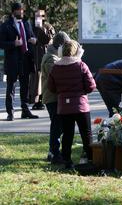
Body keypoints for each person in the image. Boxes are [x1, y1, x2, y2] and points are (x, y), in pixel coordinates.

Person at [48, 40, 96, 169]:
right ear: (77, 51)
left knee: (67, 135)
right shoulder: (81, 65)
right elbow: (91, 86)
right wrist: (82, 92)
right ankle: (91, 158)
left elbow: (51, 87)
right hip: (81, 105)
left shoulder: (55, 67)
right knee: (86, 134)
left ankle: (67, 161)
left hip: (64, 106)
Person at [0, 2, 38, 121]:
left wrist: (34, 40)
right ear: (13, 12)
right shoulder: (6, 26)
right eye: (19, 10)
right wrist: (13, 44)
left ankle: (25, 110)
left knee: (25, 87)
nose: (21, 12)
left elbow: (32, 37)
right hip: (12, 61)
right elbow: (1, 44)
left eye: (22, 10)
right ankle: (10, 112)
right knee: (11, 87)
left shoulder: (26, 24)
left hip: (26, 59)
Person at [41, 31, 70, 163]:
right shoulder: (51, 58)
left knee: (60, 125)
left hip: (56, 97)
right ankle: (54, 152)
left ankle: (53, 151)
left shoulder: (55, 56)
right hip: (52, 98)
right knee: (57, 125)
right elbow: (57, 77)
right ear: (60, 45)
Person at [30, 9, 55, 110]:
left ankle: (42, 100)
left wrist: (37, 41)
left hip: (44, 56)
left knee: (43, 79)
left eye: (40, 16)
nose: (38, 18)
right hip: (33, 56)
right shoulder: (31, 27)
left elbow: (49, 40)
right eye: (36, 16)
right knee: (34, 80)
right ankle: (35, 101)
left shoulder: (48, 27)